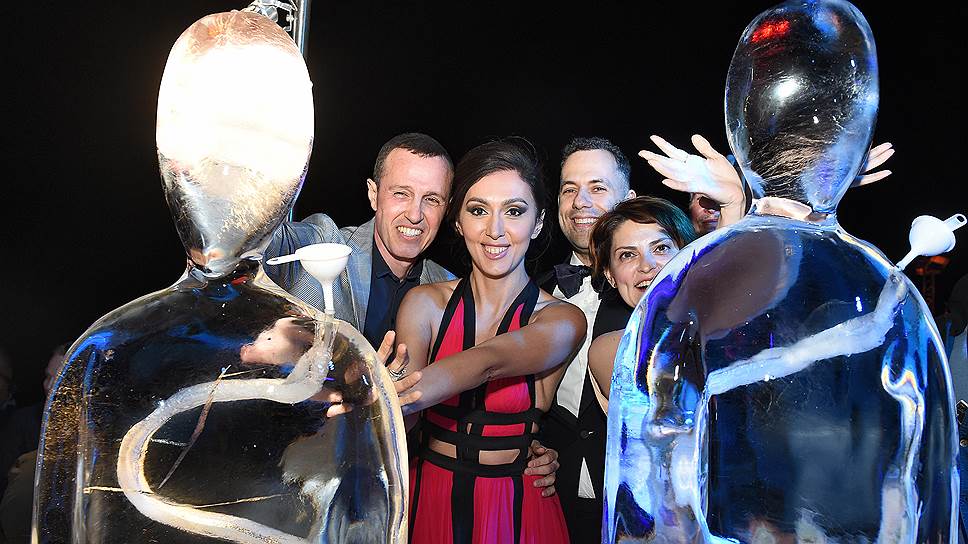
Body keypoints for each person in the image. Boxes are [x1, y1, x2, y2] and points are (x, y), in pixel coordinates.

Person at [394, 139, 586, 543]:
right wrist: (384, 400)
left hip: (517, 510)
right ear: (458, 221)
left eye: (514, 211)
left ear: (537, 223)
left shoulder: (562, 318)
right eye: (478, 210)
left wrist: (382, 395)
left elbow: (490, 362)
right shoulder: (424, 303)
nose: (495, 230)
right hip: (428, 500)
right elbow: (403, 424)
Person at [584, 197, 697, 403]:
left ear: (690, 257)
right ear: (610, 276)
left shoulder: (726, 327)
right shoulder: (611, 350)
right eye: (627, 255)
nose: (647, 266)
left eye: (661, 248)